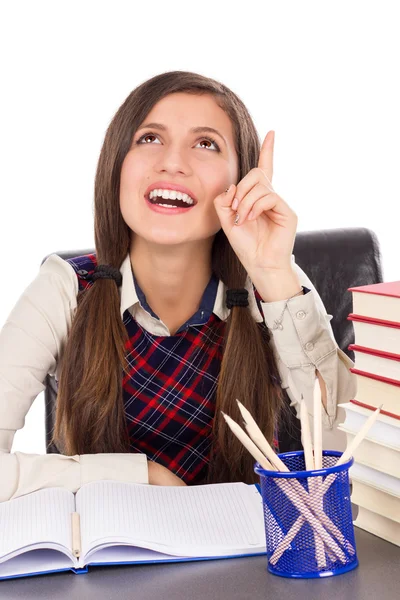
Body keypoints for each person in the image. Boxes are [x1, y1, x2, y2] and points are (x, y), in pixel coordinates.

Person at [0, 71, 356, 503]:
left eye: (206, 144)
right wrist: (138, 475)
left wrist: (273, 273)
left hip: (256, 560)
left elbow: (351, 459)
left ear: (241, 181)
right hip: (115, 563)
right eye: (150, 138)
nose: (172, 161)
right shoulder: (65, 288)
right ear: (116, 165)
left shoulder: (274, 285)